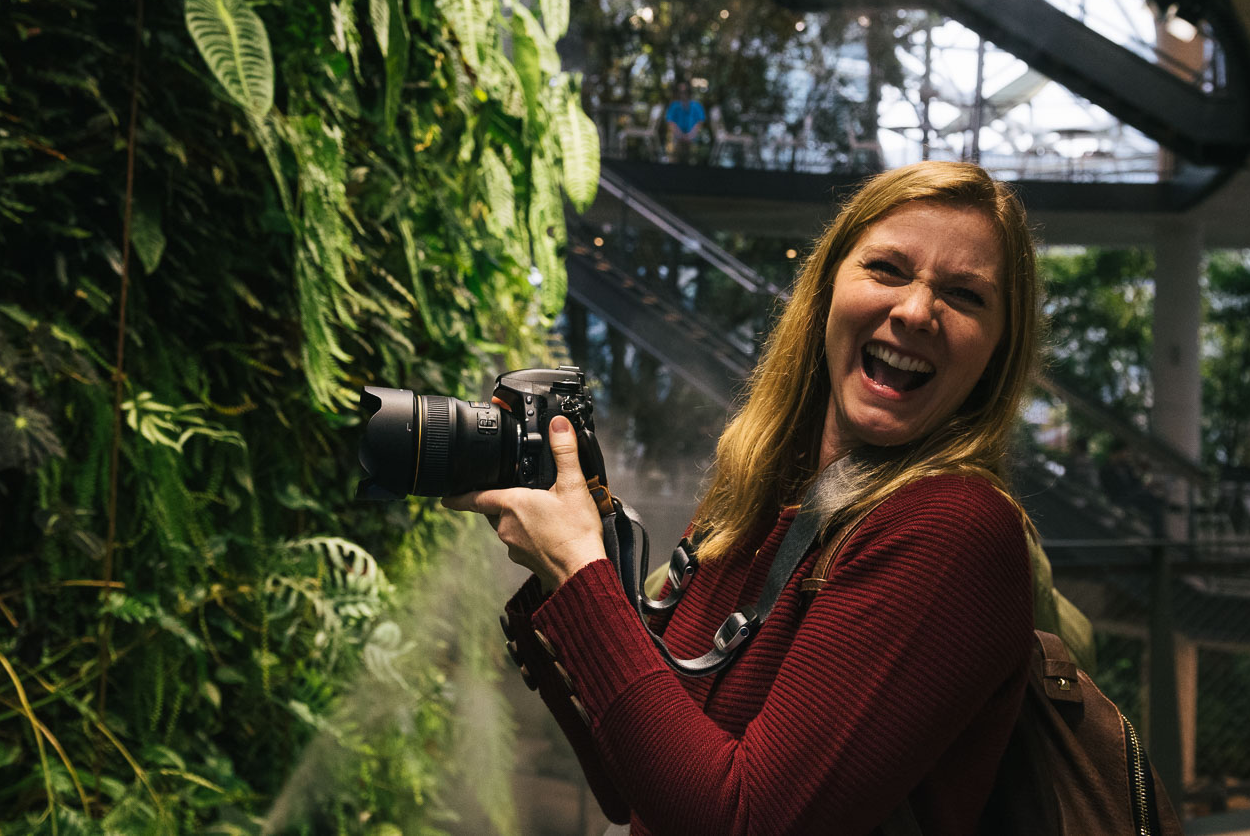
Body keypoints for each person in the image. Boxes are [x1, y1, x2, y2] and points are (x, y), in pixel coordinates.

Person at [445, 161, 1041, 835]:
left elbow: (745, 822)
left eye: (965, 296)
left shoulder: (952, 528)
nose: (915, 311)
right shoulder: (761, 495)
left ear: (997, 348)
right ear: (826, 291)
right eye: (888, 269)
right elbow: (631, 786)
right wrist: (572, 566)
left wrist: (578, 570)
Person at [663, 81, 706, 162]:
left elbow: (700, 123)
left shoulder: (697, 106)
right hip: (676, 138)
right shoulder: (674, 105)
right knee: (674, 156)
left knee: (692, 157)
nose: (683, 94)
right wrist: (680, 135)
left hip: (693, 139)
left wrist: (691, 135)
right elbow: (670, 123)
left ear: (689, 92)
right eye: (680, 92)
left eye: (685, 91)